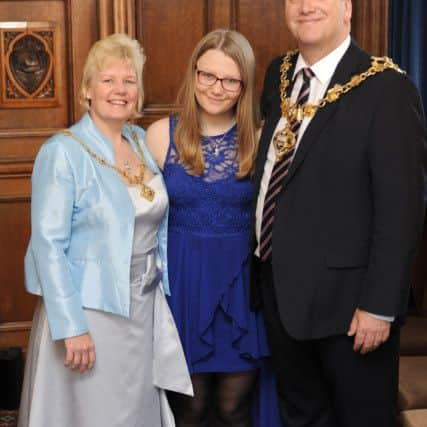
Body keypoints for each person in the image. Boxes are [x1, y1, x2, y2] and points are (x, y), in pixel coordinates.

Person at [251, 0, 427, 426]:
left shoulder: (387, 87)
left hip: (351, 309)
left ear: (347, 8)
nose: (306, 6)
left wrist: (380, 306)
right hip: (279, 292)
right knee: (302, 418)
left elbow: (401, 207)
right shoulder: (278, 74)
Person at [18, 33, 192, 427]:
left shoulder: (140, 140)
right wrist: (71, 327)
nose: (120, 90)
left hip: (143, 308)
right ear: (87, 89)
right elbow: (48, 245)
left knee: (134, 411)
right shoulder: (62, 151)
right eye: (108, 79)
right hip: (88, 313)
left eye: (129, 81)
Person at [146, 29, 282, 426]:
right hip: (183, 288)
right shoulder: (158, 136)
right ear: (193, 74)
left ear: (244, 86)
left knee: (233, 407)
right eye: (208, 75)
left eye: (230, 80)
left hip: (241, 288)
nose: (217, 88)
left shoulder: (259, 140)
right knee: (189, 407)